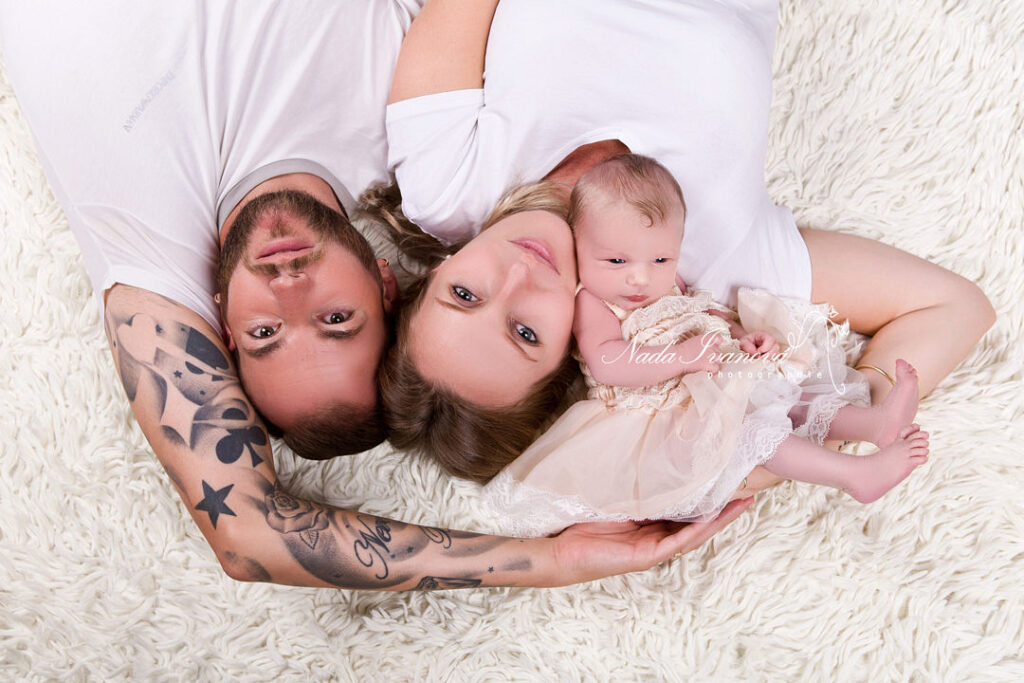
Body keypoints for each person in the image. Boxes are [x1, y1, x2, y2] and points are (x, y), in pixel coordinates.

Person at [0, 2, 741, 590]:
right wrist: (547, 558)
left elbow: (245, 534)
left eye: (266, 334)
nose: (289, 291)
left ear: (220, 324)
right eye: (334, 319)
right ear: (388, 284)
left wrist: (548, 564)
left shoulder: (149, 242)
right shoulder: (421, 133)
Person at [378, 0, 993, 488]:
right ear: (573, 359)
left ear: (430, 277)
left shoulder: (447, 184)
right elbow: (953, 307)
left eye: (463, 293)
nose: (515, 277)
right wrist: (806, 439)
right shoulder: (712, 268)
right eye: (525, 332)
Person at [484, 155, 931, 536]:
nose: (639, 277)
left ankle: (875, 424)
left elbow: (702, 314)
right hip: (665, 415)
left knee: (793, 400)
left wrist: (742, 337)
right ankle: (854, 475)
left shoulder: (667, 284)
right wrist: (681, 357)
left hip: (715, 381)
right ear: (579, 245)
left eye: (660, 259)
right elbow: (607, 362)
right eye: (616, 260)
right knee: (755, 432)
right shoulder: (594, 301)